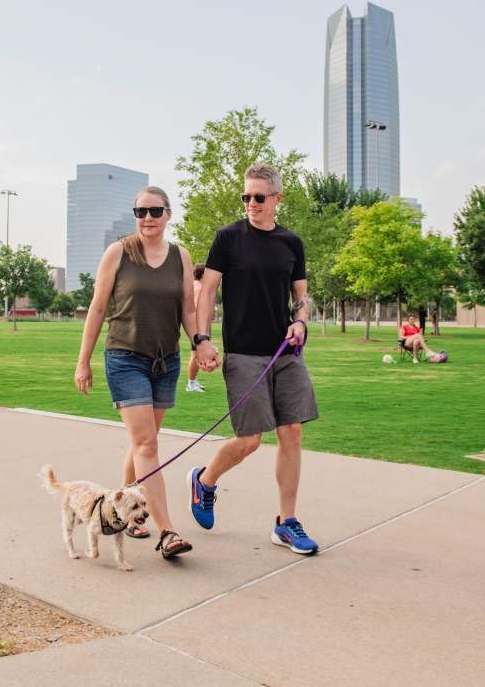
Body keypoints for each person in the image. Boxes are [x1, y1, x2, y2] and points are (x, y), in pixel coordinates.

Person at [188, 162, 320, 556]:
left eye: (259, 197)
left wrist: (300, 321)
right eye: (245, 196)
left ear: (277, 198)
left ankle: (286, 522)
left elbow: (301, 297)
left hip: (285, 350)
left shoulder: (291, 243)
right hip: (244, 352)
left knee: (292, 432)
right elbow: (208, 291)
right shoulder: (227, 238)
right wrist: (202, 339)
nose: (251, 203)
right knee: (249, 440)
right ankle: (205, 481)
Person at [74, 186, 196, 559]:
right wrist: (83, 361)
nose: (147, 218)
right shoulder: (119, 253)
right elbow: (96, 309)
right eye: (140, 212)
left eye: (154, 211)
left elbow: (188, 310)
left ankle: (120, 510)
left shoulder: (181, 257)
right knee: (147, 445)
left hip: (166, 361)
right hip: (125, 358)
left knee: (144, 441)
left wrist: (201, 342)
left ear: (168, 214)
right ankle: (167, 532)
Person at [186, 263, 212, 393]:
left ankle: (193, 381)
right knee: (196, 355)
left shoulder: (196, 286)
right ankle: (191, 384)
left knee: (197, 355)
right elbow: (195, 307)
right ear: (202, 274)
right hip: (197, 328)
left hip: (200, 327)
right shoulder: (198, 287)